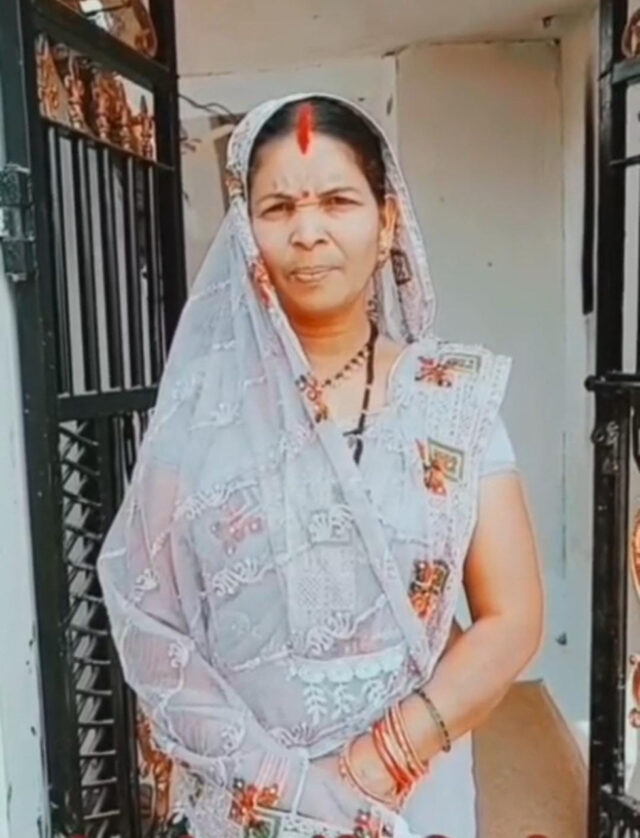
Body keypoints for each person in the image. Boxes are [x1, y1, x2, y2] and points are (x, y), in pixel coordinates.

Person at [97, 93, 544, 838]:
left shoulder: (451, 403)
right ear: (246, 233)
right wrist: (283, 787)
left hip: (407, 790)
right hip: (249, 802)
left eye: (338, 201)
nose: (308, 233)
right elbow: (148, 617)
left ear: (387, 221)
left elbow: (513, 615)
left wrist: (372, 767)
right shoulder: (202, 418)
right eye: (278, 209)